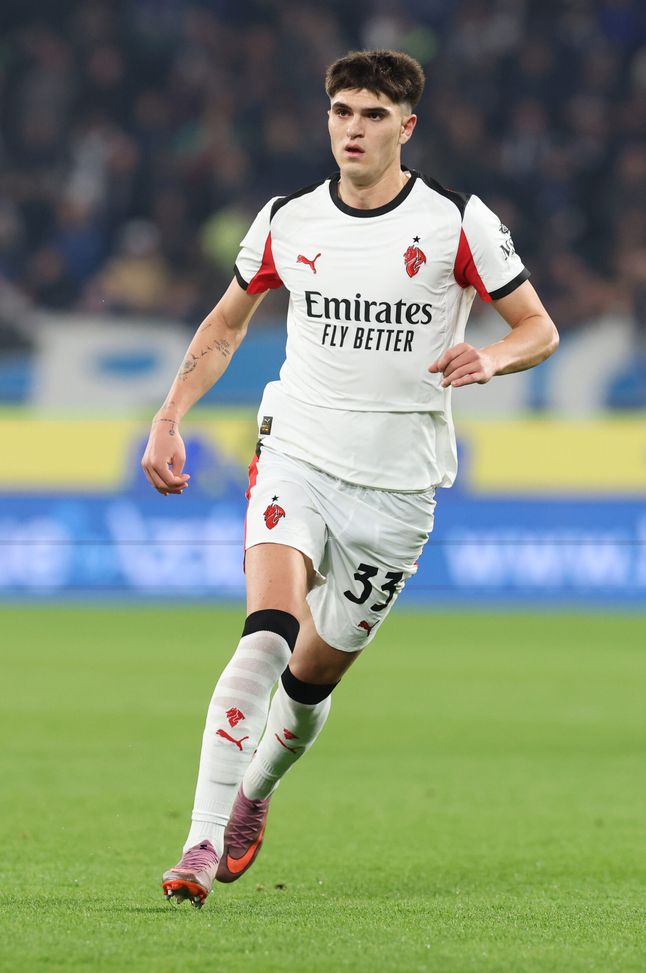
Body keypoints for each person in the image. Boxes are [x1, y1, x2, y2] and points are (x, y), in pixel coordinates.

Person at [141, 49, 559, 907]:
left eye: (373, 115)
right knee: (265, 634)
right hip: (296, 445)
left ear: (407, 127)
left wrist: (494, 356)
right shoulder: (286, 221)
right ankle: (197, 843)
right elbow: (225, 326)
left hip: (398, 484)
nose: (353, 129)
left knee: (309, 680)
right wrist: (170, 412)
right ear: (326, 118)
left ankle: (256, 789)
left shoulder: (456, 224)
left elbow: (539, 328)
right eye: (341, 112)